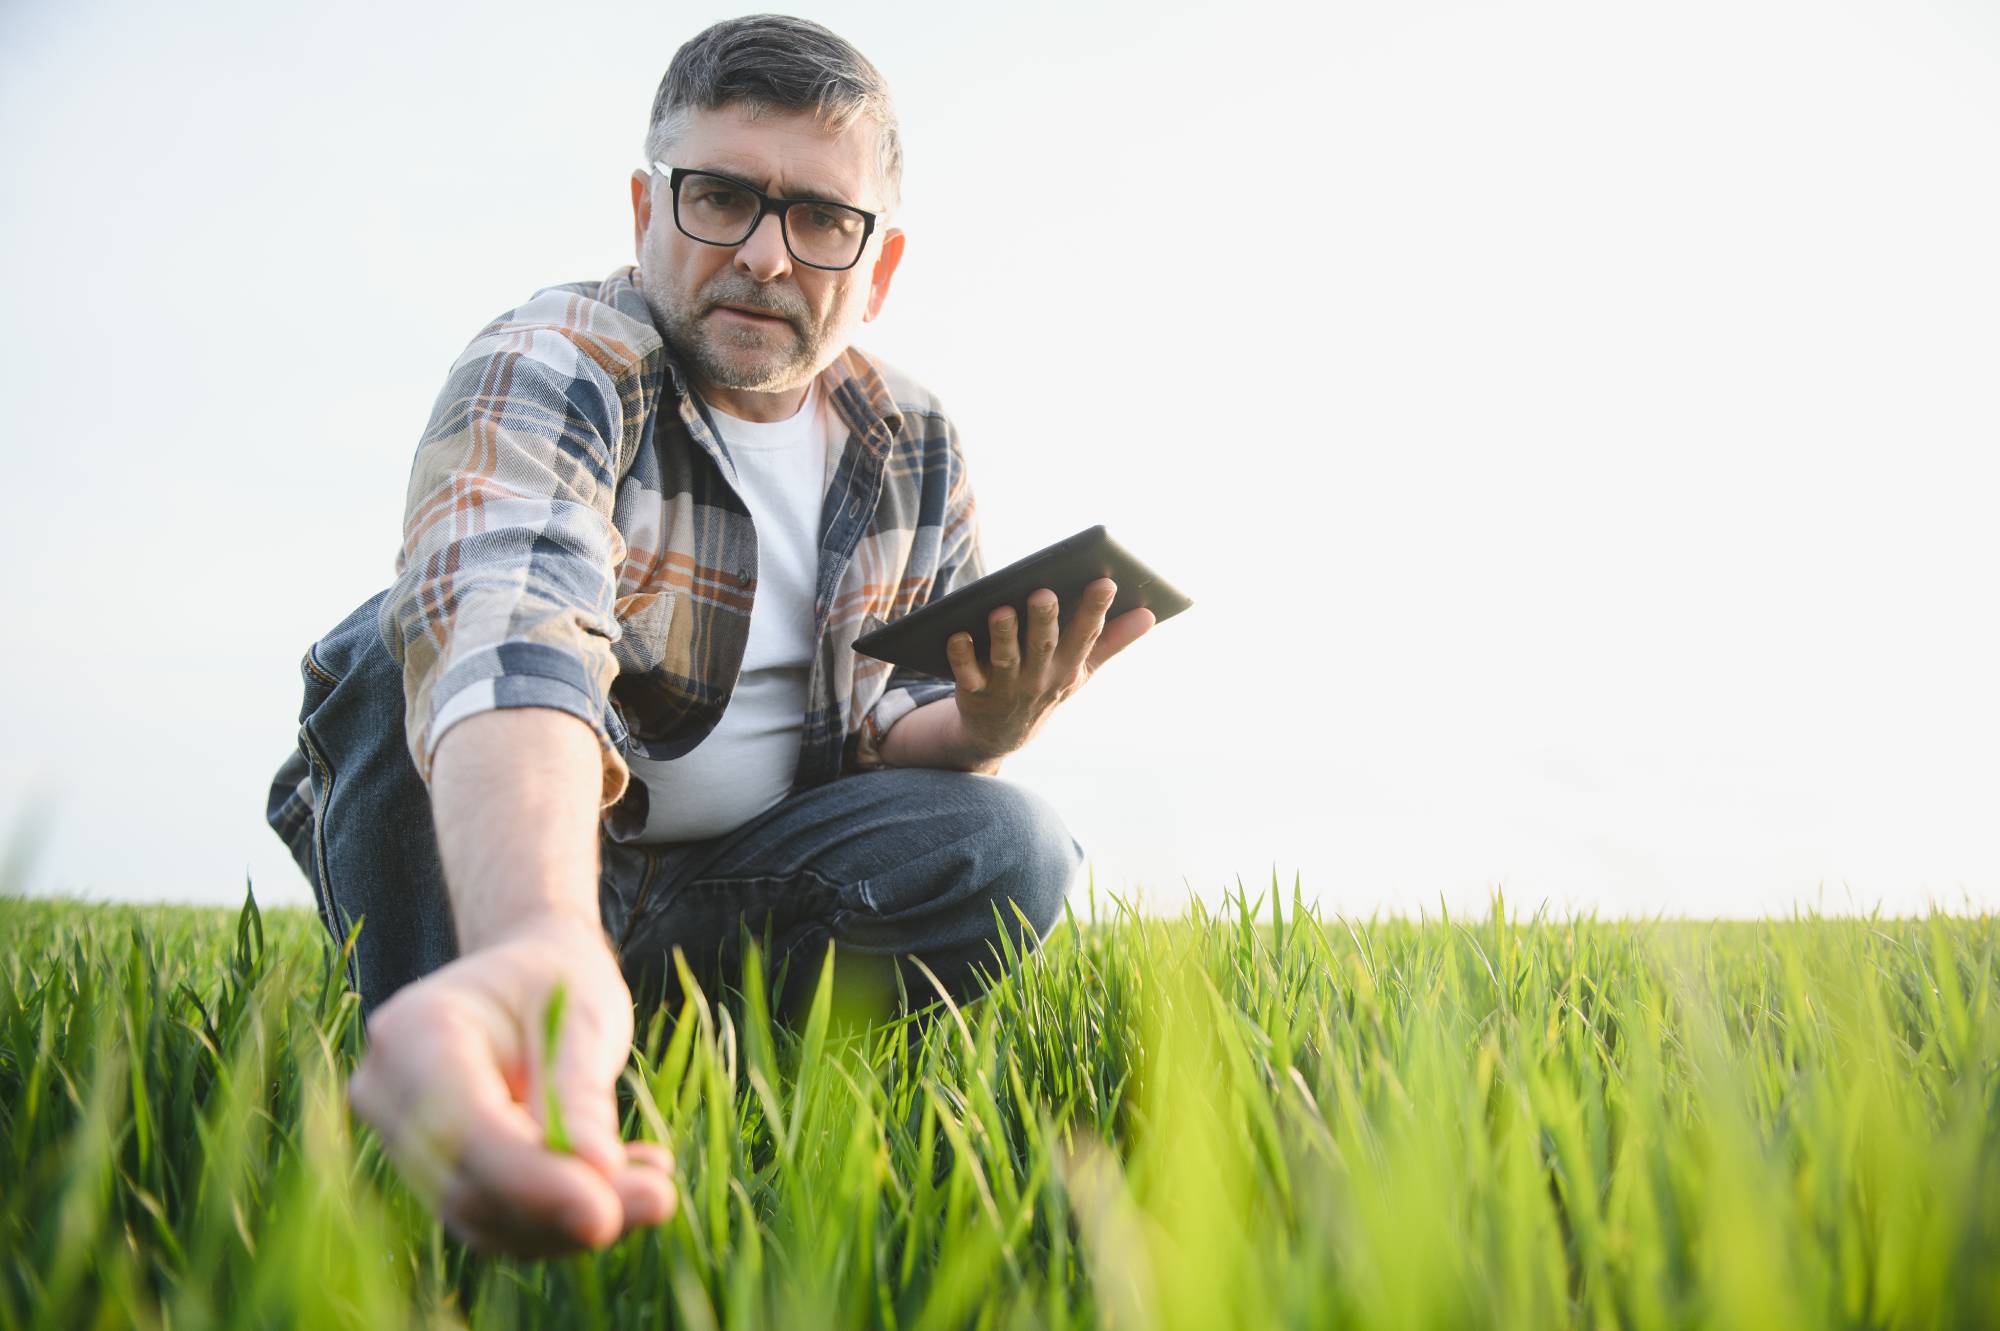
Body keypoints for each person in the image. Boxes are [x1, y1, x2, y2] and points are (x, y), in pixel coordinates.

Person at [261, 15, 1155, 1258]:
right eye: (720, 197)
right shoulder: (554, 360)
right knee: (382, 650)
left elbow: (889, 733)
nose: (766, 257)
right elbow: (504, 625)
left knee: (1014, 841)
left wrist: (985, 725)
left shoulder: (915, 439)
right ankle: (480, 1064)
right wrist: (540, 932)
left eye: (819, 220)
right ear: (644, 209)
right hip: (533, 867)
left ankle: (674, 1073)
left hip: (740, 885)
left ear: (878, 264)